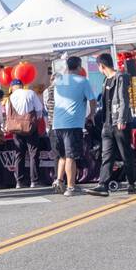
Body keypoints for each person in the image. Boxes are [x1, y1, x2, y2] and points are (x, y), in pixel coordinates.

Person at [87, 53, 136, 196]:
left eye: (99, 66)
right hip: (107, 123)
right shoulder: (105, 80)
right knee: (107, 155)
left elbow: (123, 100)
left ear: (102, 66)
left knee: (125, 153)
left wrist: (121, 119)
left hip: (120, 122)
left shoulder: (119, 77)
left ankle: (131, 183)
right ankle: (103, 184)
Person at [51, 57, 95, 196]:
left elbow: (60, 77)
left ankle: (59, 180)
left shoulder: (59, 80)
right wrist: (91, 115)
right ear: (79, 66)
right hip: (73, 123)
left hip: (57, 124)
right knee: (71, 156)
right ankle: (71, 187)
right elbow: (92, 101)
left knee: (62, 155)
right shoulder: (83, 81)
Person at [5, 78, 44, 189]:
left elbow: (8, 114)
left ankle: (19, 182)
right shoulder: (30, 93)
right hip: (30, 128)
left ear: (12, 87)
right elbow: (39, 109)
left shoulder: (10, 98)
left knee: (19, 154)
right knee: (33, 154)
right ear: (22, 85)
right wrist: (36, 119)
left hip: (16, 129)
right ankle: (34, 181)